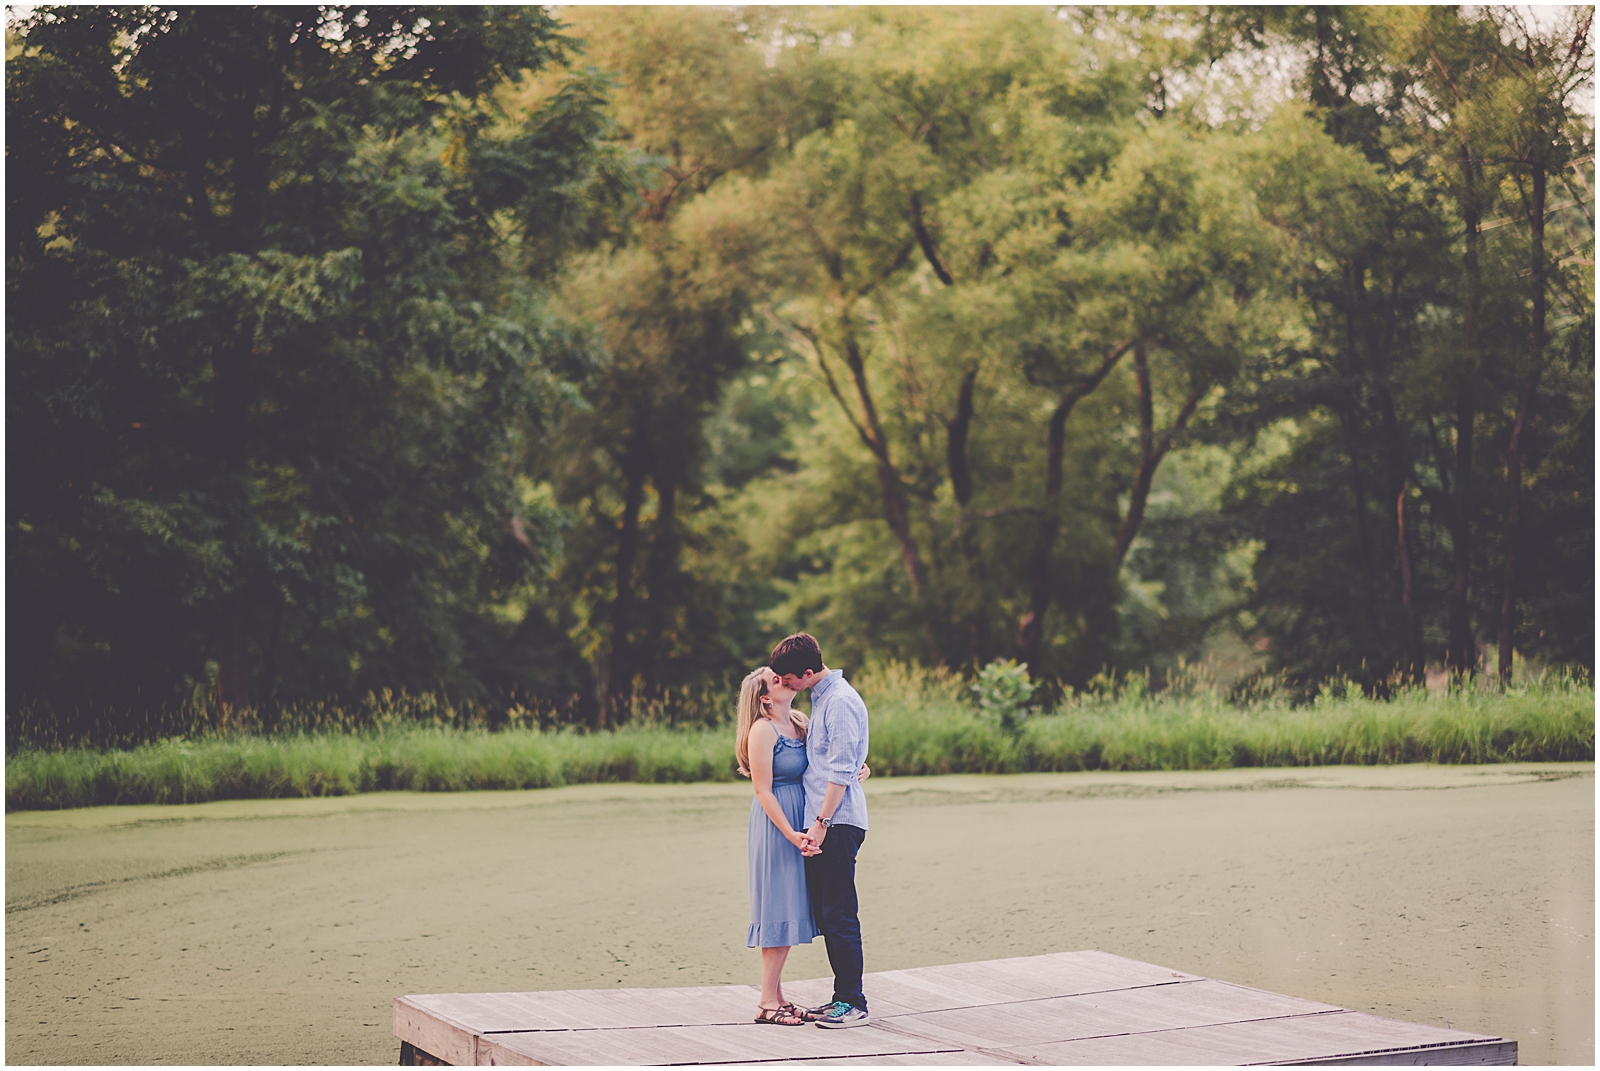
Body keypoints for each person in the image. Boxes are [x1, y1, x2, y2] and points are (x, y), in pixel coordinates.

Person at [769, 632, 872, 1029]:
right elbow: (844, 758)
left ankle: (854, 1003)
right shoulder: (823, 697)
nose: (785, 685)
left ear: (808, 672)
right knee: (829, 915)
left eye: (789, 679)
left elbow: (842, 770)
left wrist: (821, 825)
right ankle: (842, 996)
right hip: (828, 819)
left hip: (838, 821)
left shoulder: (841, 701)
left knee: (840, 913)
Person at [735, 666, 819, 1025]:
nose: (785, 679)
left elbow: (828, 761)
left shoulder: (799, 722)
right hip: (776, 827)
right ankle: (766, 1002)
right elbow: (762, 791)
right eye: (775, 680)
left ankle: (778, 997)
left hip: (800, 822)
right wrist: (790, 833)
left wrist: (859, 768)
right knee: (777, 908)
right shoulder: (761, 730)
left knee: (790, 907)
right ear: (764, 697)